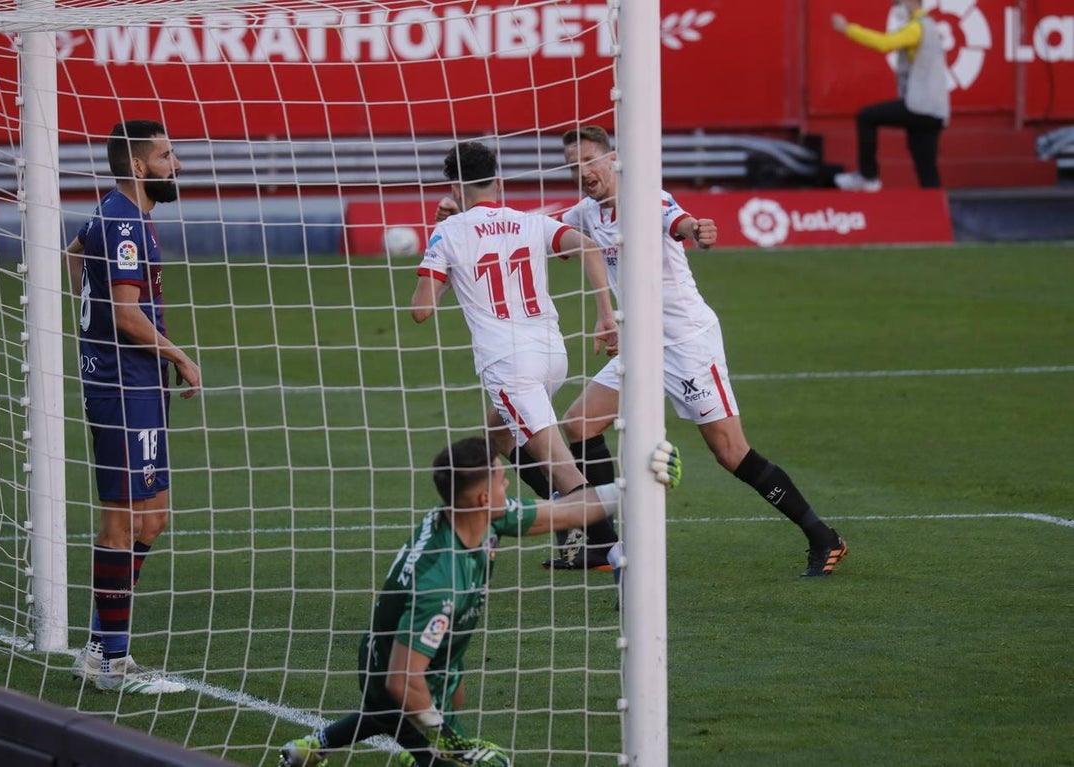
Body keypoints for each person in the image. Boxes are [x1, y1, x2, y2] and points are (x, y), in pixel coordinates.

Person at [277, 436, 681, 767]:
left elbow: (561, 514)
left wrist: (635, 489)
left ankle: (314, 747)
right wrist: (457, 747)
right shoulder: (442, 580)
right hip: (398, 670)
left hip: (413, 653)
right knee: (463, 750)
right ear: (482, 497)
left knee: (451, 698)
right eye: (502, 480)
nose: (509, 487)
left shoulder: (475, 514)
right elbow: (402, 682)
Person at [557, 126, 847, 578]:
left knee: (731, 452)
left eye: (589, 161)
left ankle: (823, 536)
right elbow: (540, 225)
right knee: (577, 425)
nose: (583, 173)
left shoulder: (646, 198)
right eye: (574, 166)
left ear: (612, 159)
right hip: (641, 344)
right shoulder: (588, 211)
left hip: (686, 343)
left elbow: (681, 222)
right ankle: (601, 543)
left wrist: (698, 230)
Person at [411, 141, 620, 568]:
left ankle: (614, 548)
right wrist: (605, 315)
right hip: (551, 355)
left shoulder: (448, 233)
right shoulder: (529, 222)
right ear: (498, 182)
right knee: (496, 437)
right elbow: (588, 246)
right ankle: (565, 523)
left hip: (509, 365)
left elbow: (421, 310)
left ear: (453, 187)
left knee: (565, 471)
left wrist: (438, 246)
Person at [64, 120, 201, 693]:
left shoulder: (120, 213)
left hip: (137, 381)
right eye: (167, 156)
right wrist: (181, 357)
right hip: (123, 385)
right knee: (121, 523)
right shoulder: (125, 221)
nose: (176, 165)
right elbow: (124, 312)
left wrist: (87, 309)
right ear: (140, 167)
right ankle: (113, 664)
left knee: (154, 516)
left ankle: (99, 646)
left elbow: (74, 256)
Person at [831, 0, 951, 191]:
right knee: (927, 170)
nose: (896, 5)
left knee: (866, 117)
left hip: (919, 107)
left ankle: (868, 176)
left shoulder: (917, 28)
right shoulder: (929, 25)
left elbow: (884, 44)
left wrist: (847, 28)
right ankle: (936, 215)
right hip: (935, 111)